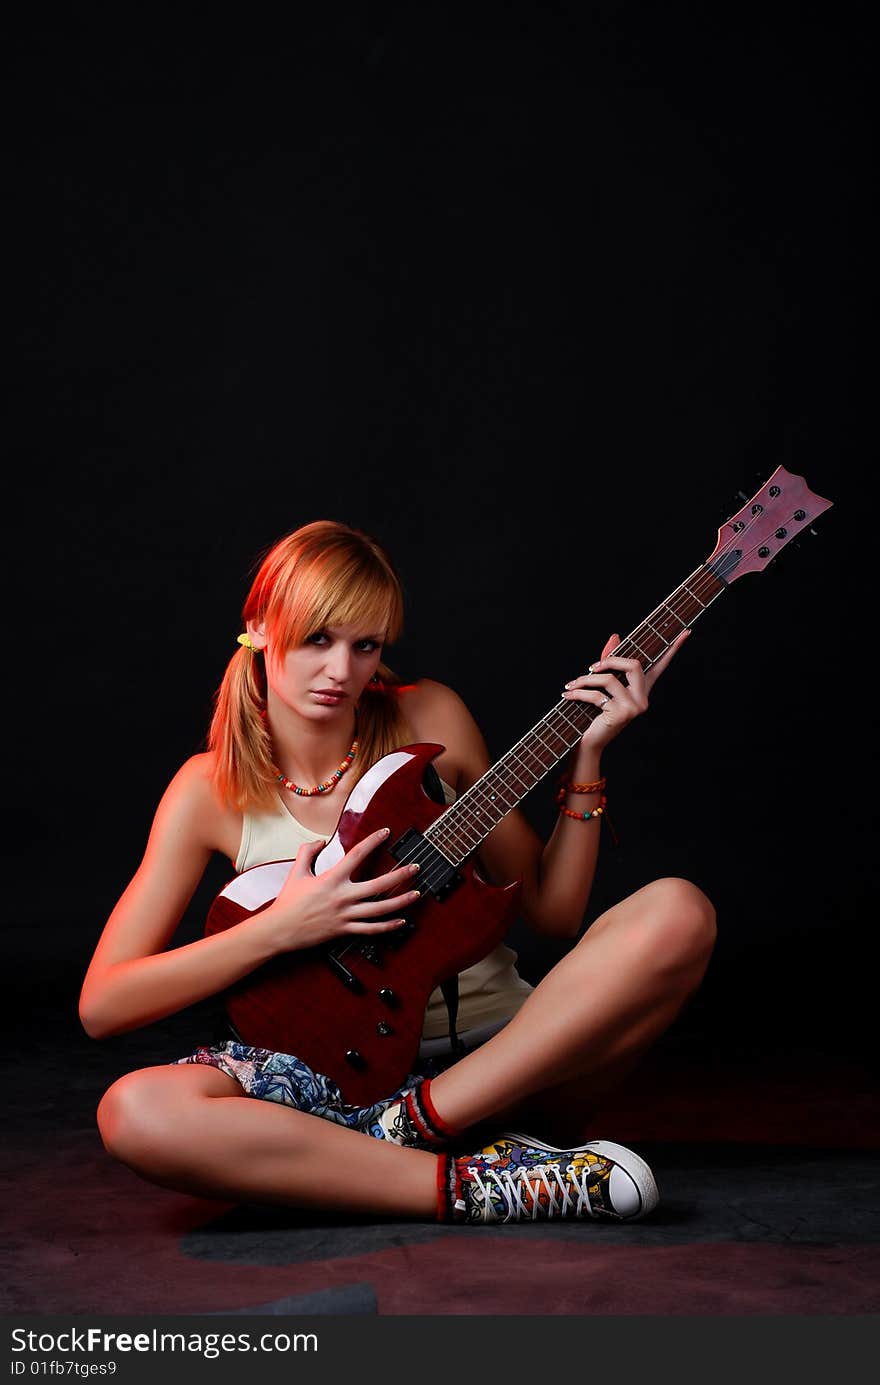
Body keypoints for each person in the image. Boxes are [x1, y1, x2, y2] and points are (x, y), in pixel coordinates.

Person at [80, 520, 716, 1225]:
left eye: (365, 645)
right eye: (318, 637)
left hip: (504, 1059)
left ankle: (413, 1132)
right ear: (259, 626)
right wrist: (281, 928)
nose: (341, 671)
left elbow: (555, 915)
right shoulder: (209, 788)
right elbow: (104, 1002)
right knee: (136, 1111)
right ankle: (482, 1184)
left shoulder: (430, 716)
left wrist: (589, 756)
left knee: (678, 911)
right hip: (325, 1081)